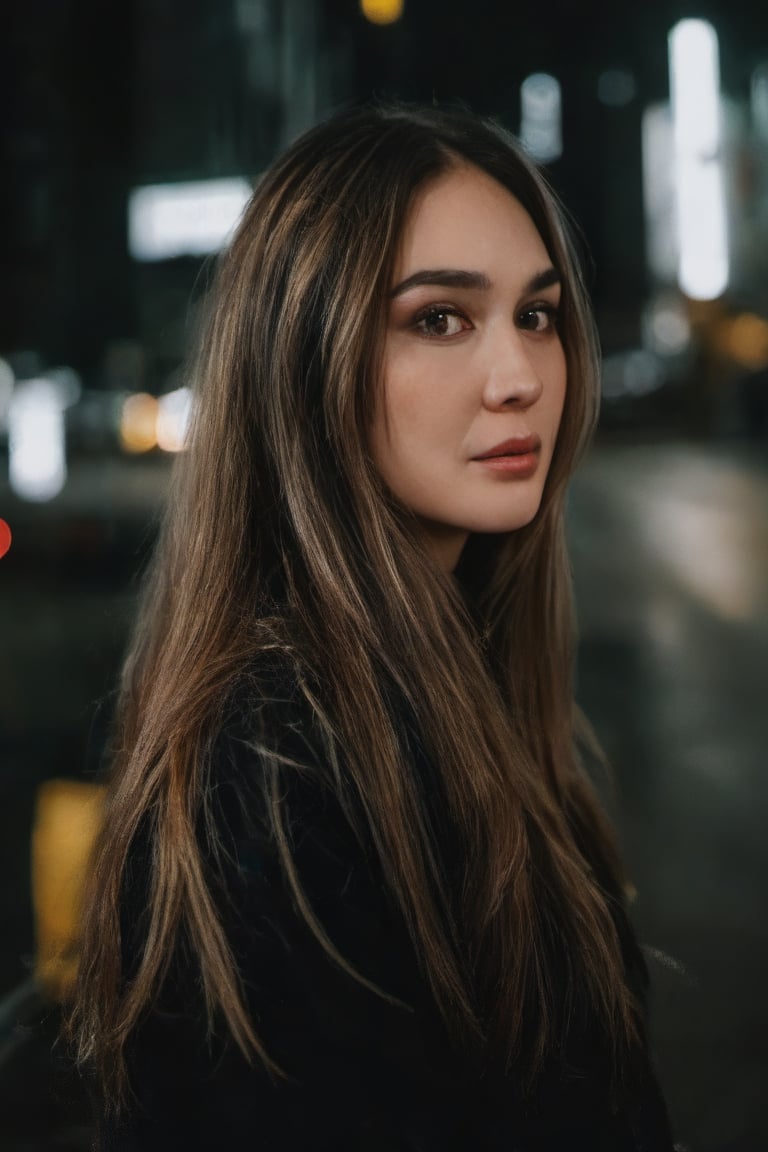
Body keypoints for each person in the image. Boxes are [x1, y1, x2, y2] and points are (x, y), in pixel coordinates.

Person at [70, 100, 676, 1150]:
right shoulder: (277, 773)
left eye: (536, 315)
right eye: (440, 318)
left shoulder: (451, 690)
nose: (520, 377)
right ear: (303, 362)